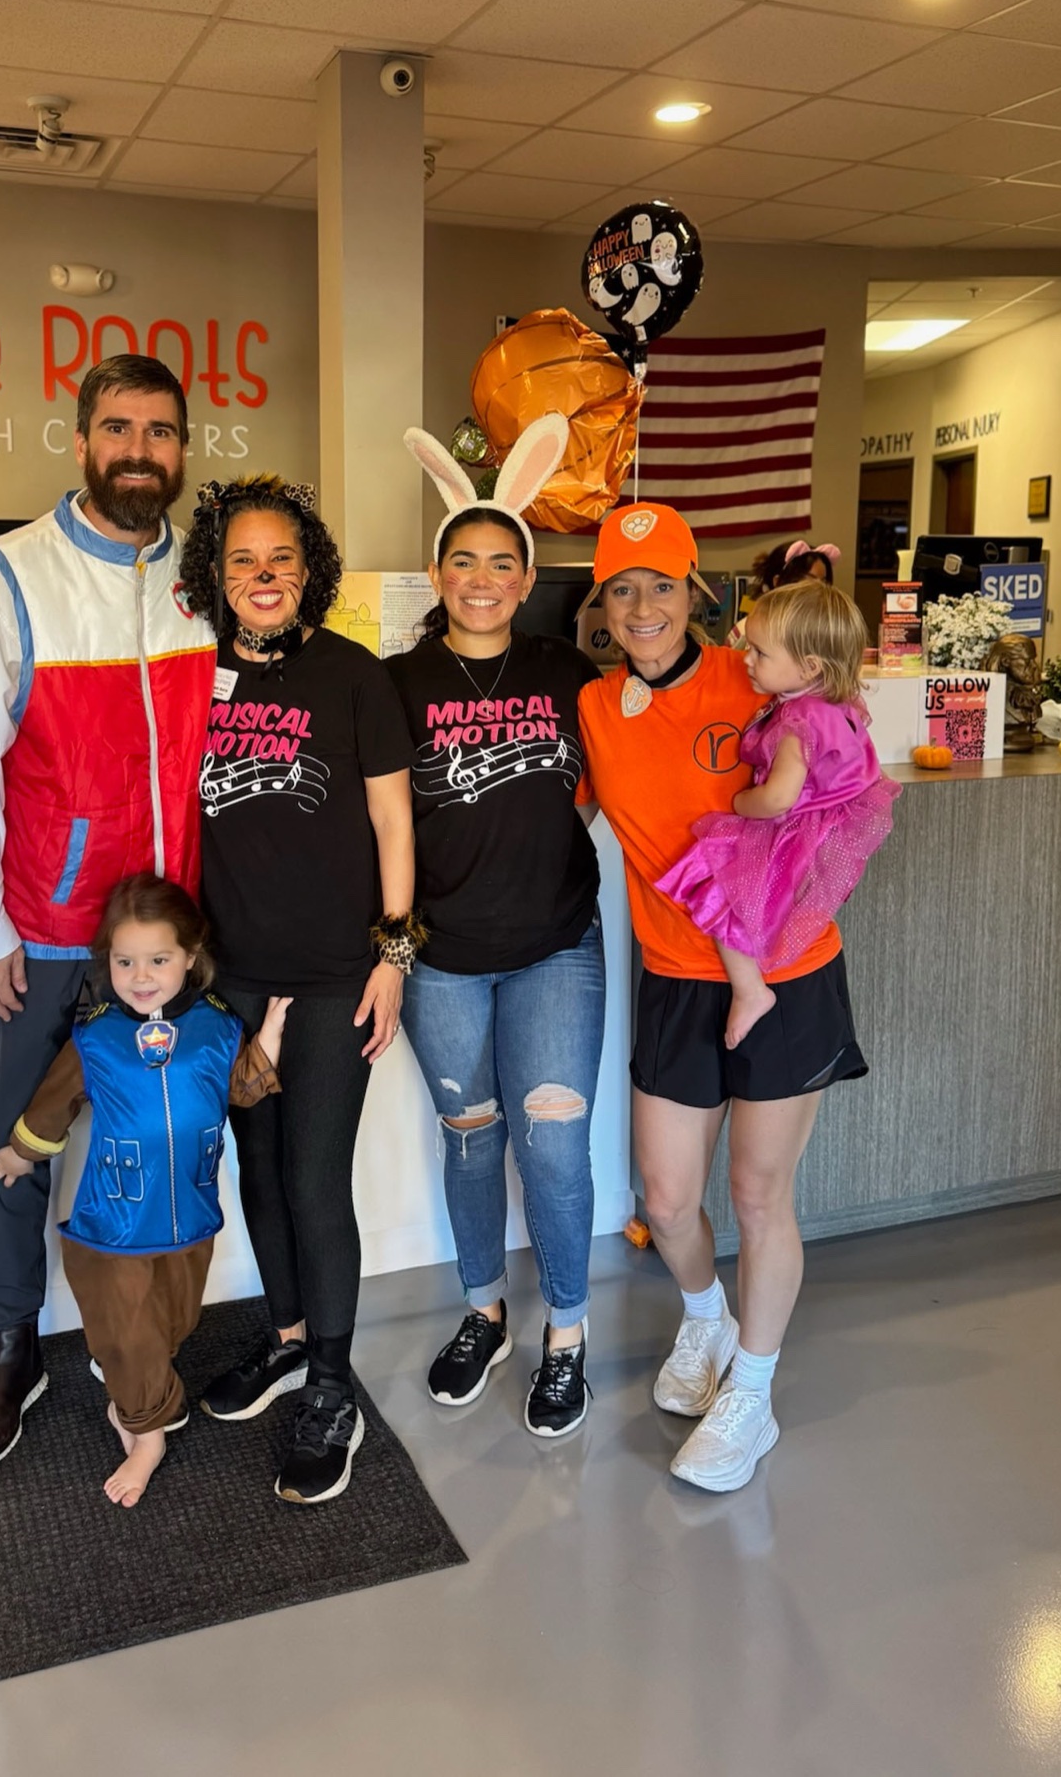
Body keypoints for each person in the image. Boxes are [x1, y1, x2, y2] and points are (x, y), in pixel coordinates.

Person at [0, 352, 215, 1471]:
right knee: (17, 1144)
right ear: (82, 440)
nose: (138, 449)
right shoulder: (9, 574)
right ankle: (13, 1344)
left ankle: (143, 1339)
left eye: (158, 431)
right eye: (117, 428)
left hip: (172, 940)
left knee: (163, 1133)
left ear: (181, 450)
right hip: (46, 930)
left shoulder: (205, 576)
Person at [577, 502, 870, 1494]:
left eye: (660, 584)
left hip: (783, 974)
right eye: (622, 588)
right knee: (664, 1198)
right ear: (602, 607)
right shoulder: (592, 706)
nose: (642, 605)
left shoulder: (751, 683)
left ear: (695, 592)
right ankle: (704, 1322)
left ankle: (752, 1390)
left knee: (755, 1193)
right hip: (674, 976)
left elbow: (834, 763)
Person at [180, 475, 417, 1505]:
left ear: (308, 570)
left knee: (316, 1180)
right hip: (228, 979)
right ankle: (284, 1339)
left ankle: (331, 1387)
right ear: (215, 576)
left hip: (330, 974)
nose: (263, 576)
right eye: (242, 559)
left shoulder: (352, 674)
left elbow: (394, 826)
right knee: (260, 1174)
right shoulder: (191, 677)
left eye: (280, 558)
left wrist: (392, 958)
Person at [389, 414, 605, 1437]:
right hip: (441, 963)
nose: (481, 578)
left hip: (557, 949)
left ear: (525, 580)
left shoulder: (568, 675)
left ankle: (567, 1333)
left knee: (552, 1149)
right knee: (471, 1143)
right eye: (463, 560)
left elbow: (608, 788)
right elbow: (377, 828)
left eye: (501, 563)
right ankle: (485, 1311)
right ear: (438, 574)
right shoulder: (395, 685)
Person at [0, 874, 288, 1508]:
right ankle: (145, 1427)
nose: (141, 975)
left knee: (172, 1324)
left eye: (158, 960)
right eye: (125, 961)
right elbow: (55, 1103)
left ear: (190, 957)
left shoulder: (216, 1026)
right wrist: (20, 1152)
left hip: (191, 1220)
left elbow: (237, 1089)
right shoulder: (96, 1036)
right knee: (128, 1330)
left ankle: (137, 1389)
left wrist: (268, 1042)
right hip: (113, 1225)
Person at [656, 582, 896, 1046]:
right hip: (829, 828)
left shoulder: (797, 721)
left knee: (718, 888)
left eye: (760, 653)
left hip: (793, 827)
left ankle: (750, 991)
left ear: (808, 667)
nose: (747, 658)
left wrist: (741, 803)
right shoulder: (833, 703)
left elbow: (780, 797)